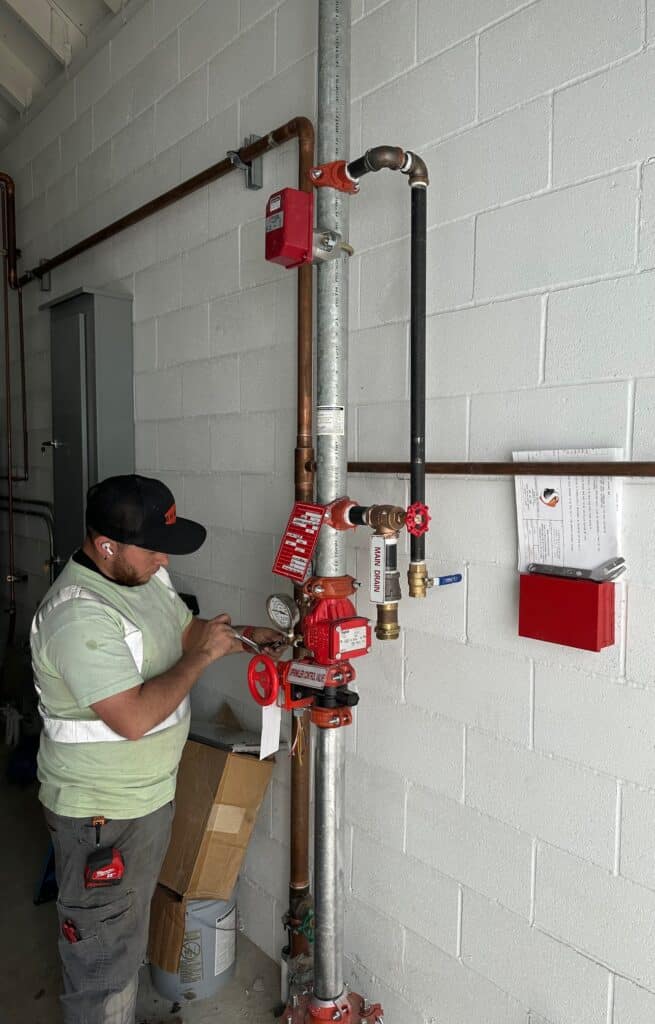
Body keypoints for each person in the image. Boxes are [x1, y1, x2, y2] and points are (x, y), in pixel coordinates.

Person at [30, 474, 282, 1024]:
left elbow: (184, 632)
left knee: (122, 932)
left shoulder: (145, 578)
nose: (165, 561)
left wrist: (240, 638)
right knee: (101, 960)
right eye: (153, 550)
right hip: (100, 816)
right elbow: (134, 717)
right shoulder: (77, 615)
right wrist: (204, 659)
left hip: (144, 799)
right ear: (106, 547)